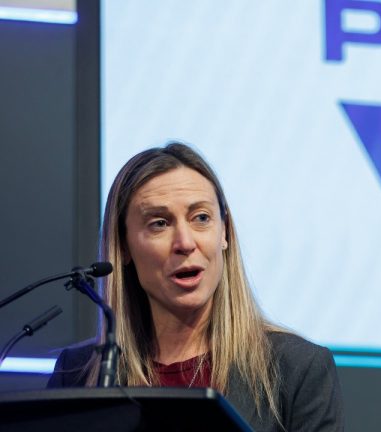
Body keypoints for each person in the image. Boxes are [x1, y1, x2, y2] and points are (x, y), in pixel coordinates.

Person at [48, 142, 344, 431]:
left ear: (224, 233)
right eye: (159, 223)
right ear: (123, 246)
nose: (186, 243)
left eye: (201, 218)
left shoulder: (298, 369)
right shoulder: (76, 372)